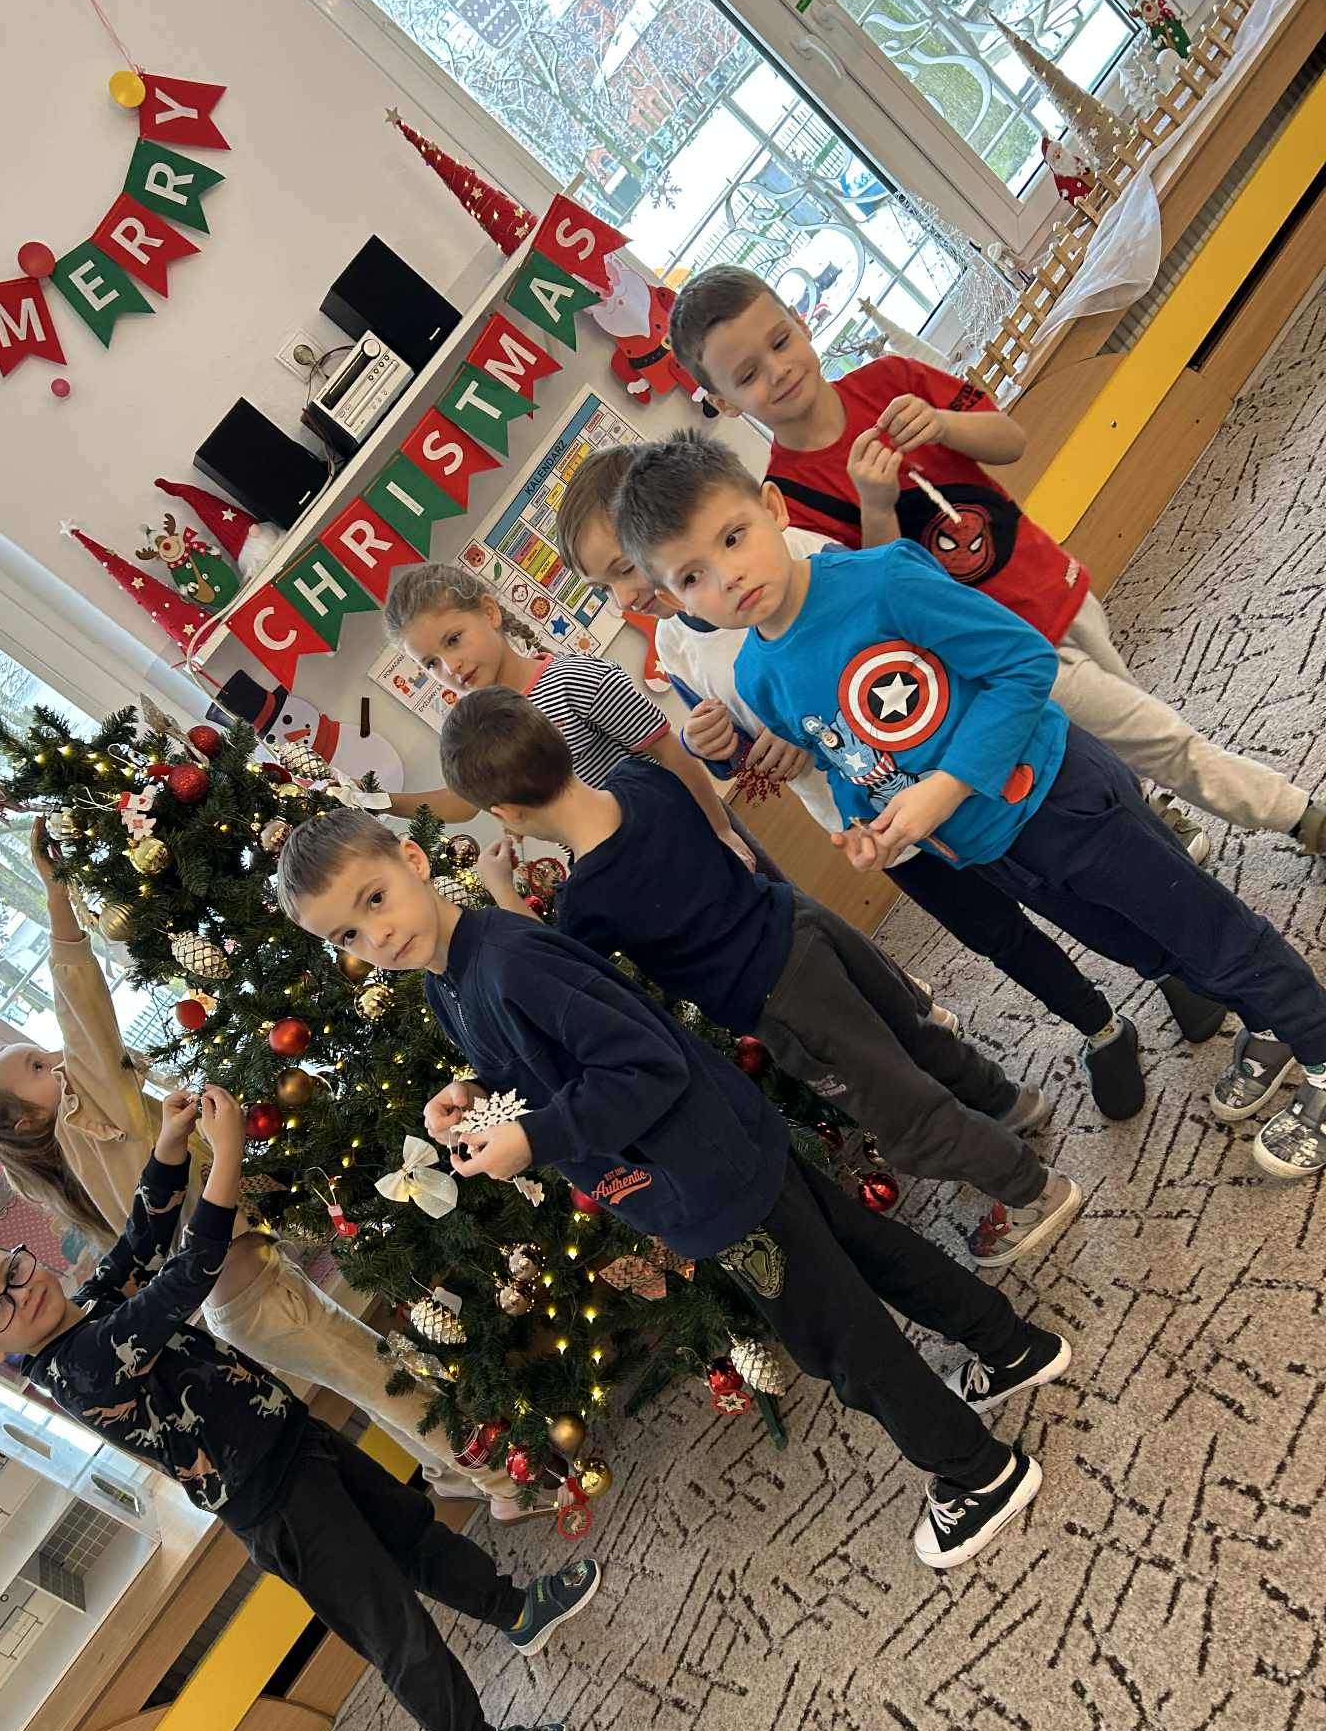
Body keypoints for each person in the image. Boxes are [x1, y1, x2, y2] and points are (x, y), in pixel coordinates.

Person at [275, 807, 1075, 1572]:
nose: (377, 935)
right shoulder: (447, 982)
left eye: (375, 899)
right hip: (714, 1152)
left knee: (836, 1336)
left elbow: (643, 1065)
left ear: (413, 860)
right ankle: (1011, 1346)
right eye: (347, 934)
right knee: (866, 1246)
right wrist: (474, 1093)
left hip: (706, 1175)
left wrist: (535, 1138)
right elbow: (541, 1061)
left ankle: (978, 1471)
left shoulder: (511, 960)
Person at [613, 429, 1326, 1179]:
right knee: (1147, 948)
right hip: (997, 852)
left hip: (1061, 796)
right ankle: (1271, 1022)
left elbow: (1024, 663)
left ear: (772, 507)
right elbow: (846, 753)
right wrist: (868, 827)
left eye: (733, 538)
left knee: (1204, 928)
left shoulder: (883, 580)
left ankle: (1316, 1042)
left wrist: (947, 785)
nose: (727, 577)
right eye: (693, 576)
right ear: (672, 599)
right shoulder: (758, 676)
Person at [0, 1084, 595, 1731]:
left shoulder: (82, 1310)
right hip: (271, 1503)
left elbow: (142, 1240)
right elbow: (189, 1272)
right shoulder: (79, 1367)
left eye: (13, 1269)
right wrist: (227, 1156)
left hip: (291, 1438)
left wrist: (169, 1148)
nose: (22, 1292)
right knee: (391, 1624)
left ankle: (514, 1609)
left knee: (410, 1530)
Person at [550, 445, 1197, 1122]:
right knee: (992, 932)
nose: (624, 596)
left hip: (951, 774)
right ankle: (1099, 1026)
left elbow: (888, 624)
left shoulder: (787, 556)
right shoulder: (676, 643)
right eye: (603, 586)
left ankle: (1171, 966)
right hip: (867, 815)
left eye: (622, 569)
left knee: (1061, 886)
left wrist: (806, 725)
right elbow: (740, 740)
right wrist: (720, 748)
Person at [0, 817, 533, 1519]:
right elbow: (83, 1011)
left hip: (247, 1295)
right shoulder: (85, 1117)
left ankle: (452, 1476)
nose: (58, 1061)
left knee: (368, 1372)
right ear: (26, 1121)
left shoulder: (83, 1145)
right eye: (37, 1068)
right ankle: (504, 1486)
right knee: (382, 1377)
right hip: (252, 1299)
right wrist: (57, 901)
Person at [664, 264, 1326, 863]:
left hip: (1046, 580)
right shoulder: (786, 501)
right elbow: (871, 599)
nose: (778, 371)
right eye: (747, 375)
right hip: (985, 650)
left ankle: (1147, 811)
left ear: (802, 321)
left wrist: (943, 425)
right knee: (1155, 737)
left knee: (1131, 723)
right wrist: (875, 502)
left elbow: (1010, 439)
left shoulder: (890, 382)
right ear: (725, 402)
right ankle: (1297, 817)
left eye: (780, 341)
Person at [441, 685, 1082, 1267]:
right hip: (802, 922)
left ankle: (1033, 1190)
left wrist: (503, 891)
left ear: (506, 813)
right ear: (558, 743)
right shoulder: (643, 779)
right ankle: (1010, 1105)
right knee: (912, 1035)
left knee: (901, 1109)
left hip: (780, 997)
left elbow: (554, 969)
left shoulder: (587, 900)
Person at [381, 560, 755, 868]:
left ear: (489, 612)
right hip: (621, 871)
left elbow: (669, 752)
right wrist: (380, 801)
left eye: (453, 640)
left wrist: (721, 829)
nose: (451, 666)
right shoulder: (483, 730)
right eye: (431, 663)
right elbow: (463, 803)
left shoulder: (572, 679)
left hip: (687, 834)